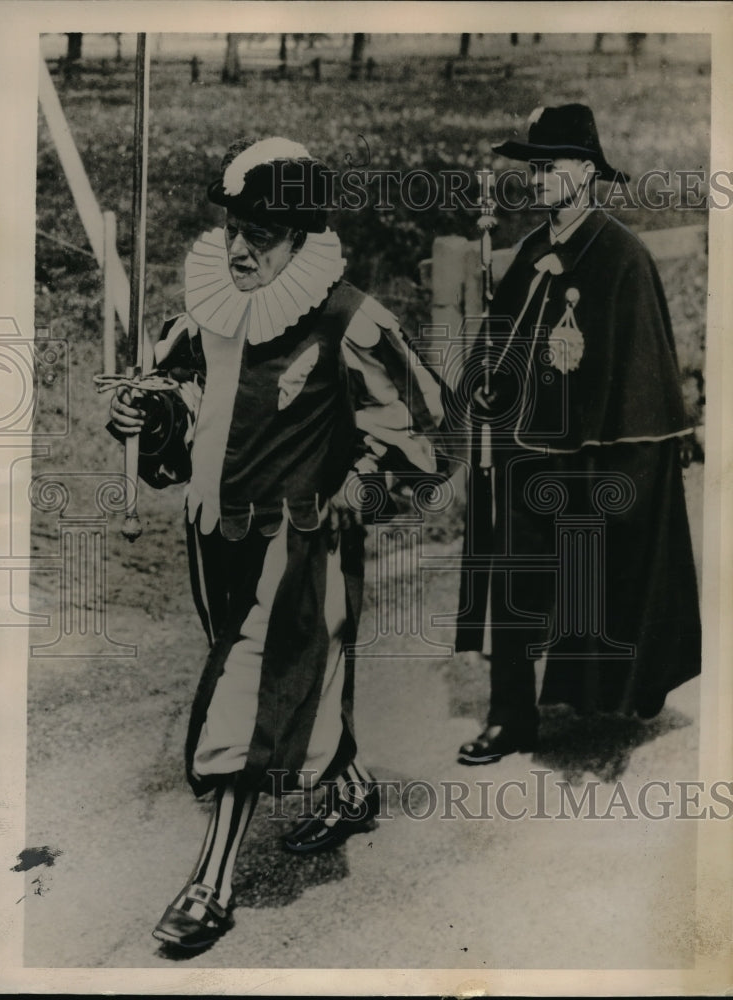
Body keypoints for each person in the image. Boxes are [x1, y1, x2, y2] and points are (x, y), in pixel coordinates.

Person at [108, 136, 448, 948]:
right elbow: (185, 410)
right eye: (233, 225)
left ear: (300, 236)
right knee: (285, 685)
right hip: (216, 544)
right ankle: (350, 788)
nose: (238, 245)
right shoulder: (207, 317)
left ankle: (210, 885)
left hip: (301, 553)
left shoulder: (347, 320)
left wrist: (349, 495)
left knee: (247, 698)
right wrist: (146, 417)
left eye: (260, 230)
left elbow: (425, 433)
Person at [454, 104, 701, 765]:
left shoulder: (622, 255)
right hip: (527, 457)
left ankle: (616, 697)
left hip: (591, 464)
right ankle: (511, 718)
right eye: (531, 165)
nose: (535, 177)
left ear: (586, 172)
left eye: (549, 165)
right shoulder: (535, 250)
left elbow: (645, 386)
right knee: (512, 576)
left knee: (602, 588)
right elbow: (499, 348)